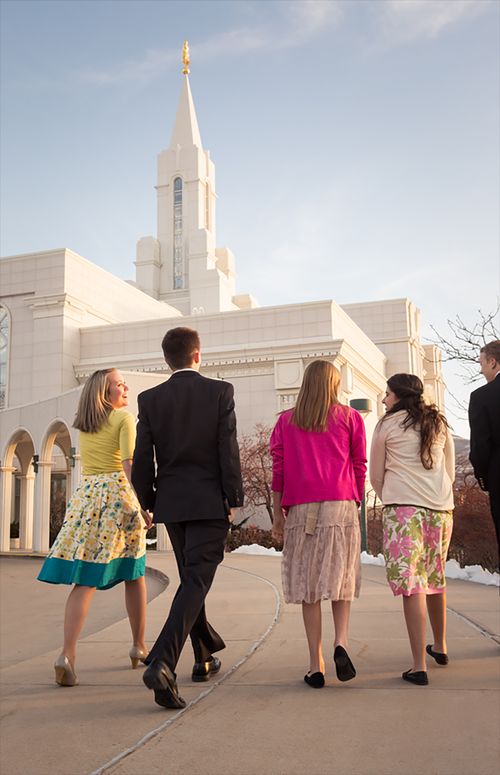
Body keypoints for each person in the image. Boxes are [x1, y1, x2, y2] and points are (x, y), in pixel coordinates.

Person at [132, 327, 243, 709]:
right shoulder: (219, 392)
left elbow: (143, 457)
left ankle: (204, 654)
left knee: (191, 581)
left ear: (168, 360)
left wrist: (147, 502)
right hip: (209, 501)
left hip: (173, 504)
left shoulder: (150, 399)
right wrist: (233, 497)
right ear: (198, 355)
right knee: (196, 580)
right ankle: (163, 661)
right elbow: (227, 448)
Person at [38, 368, 152, 686]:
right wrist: (143, 504)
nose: (125, 387)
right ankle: (138, 646)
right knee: (135, 574)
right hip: (119, 496)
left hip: (88, 496)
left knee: (84, 580)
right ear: (106, 393)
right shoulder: (124, 418)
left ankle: (67, 654)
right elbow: (129, 463)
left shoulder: (85, 425)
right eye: (119, 384)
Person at [270, 360, 366, 689]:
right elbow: (358, 463)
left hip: (301, 506)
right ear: (334, 384)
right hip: (340, 504)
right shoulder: (351, 418)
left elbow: (278, 469)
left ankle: (316, 664)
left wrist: (276, 514)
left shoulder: (286, 421)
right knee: (341, 578)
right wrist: (354, 498)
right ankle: (341, 642)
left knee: (310, 588)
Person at [370, 374, 455, 686]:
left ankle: (419, 665)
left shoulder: (387, 425)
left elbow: (375, 474)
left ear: (399, 395)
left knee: (412, 584)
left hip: (403, 507)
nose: (383, 400)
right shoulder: (439, 422)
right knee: (435, 576)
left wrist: (391, 495)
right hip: (441, 508)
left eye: (387, 394)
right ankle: (441, 645)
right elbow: (449, 470)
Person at [468, 340, 500, 557]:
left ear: (493, 362)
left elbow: (481, 445)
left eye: (481, 364)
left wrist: (484, 478)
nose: (481, 370)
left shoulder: (482, 397)